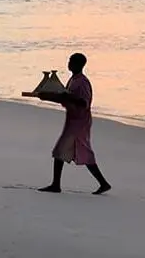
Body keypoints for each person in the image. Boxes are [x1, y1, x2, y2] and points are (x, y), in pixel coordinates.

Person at [37, 52, 111, 195]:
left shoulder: (82, 82)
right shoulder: (73, 80)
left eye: (71, 61)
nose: (69, 63)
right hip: (73, 120)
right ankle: (102, 183)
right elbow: (65, 99)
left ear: (78, 64)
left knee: (67, 151)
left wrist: (66, 96)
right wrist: (47, 98)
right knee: (68, 151)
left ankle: (56, 185)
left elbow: (84, 102)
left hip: (80, 122)